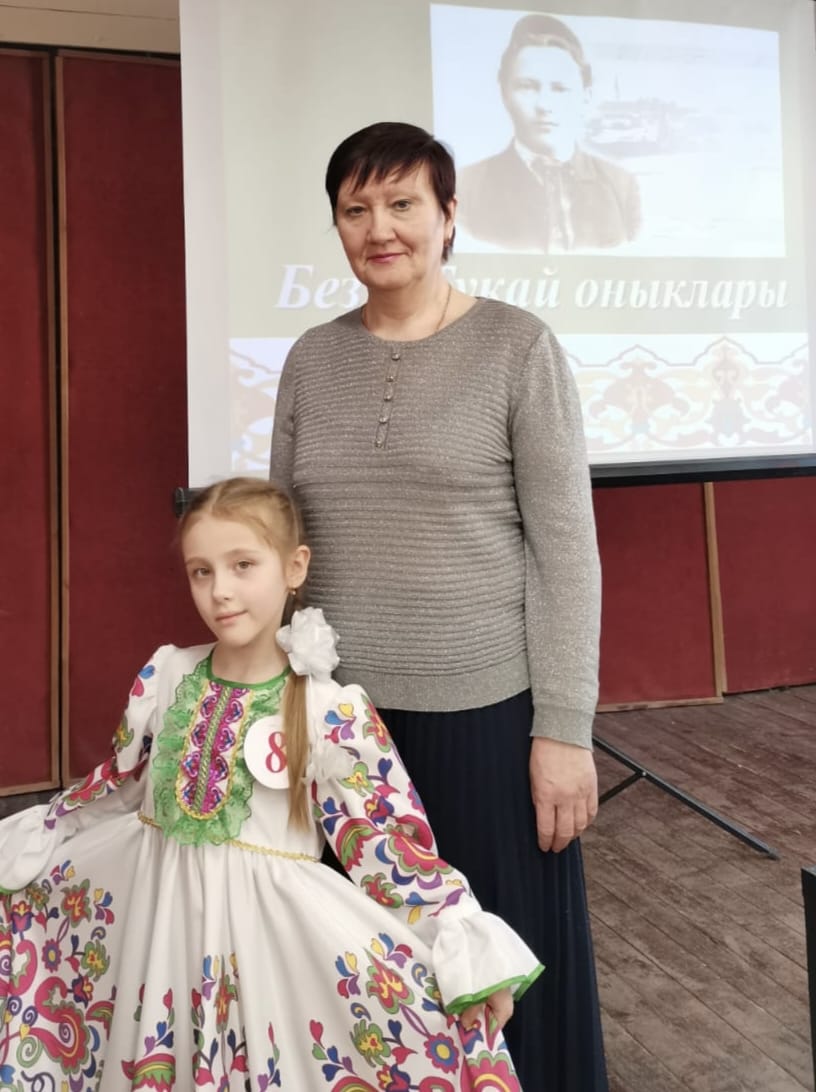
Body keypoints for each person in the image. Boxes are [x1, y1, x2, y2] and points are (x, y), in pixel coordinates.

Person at [0, 477, 543, 1090]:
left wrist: (464, 947)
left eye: (243, 565)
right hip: (155, 930)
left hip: (262, 953)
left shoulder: (328, 710)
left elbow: (388, 851)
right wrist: (39, 842)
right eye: (201, 571)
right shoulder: (166, 674)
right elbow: (121, 787)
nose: (220, 591)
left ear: (294, 567)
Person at [269, 122, 608, 1090]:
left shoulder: (518, 347)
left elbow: (566, 553)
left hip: (484, 720)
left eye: (403, 203)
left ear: (449, 215)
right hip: (342, 724)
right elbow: (284, 539)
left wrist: (565, 729)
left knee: (500, 975)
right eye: (356, 209)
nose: (380, 228)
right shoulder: (310, 357)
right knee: (359, 979)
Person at [456, 12, 641, 252]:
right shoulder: (465, 186)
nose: (544, 105)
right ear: (504, 93)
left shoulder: (621, 185)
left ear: (586, 96)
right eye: (527, 87)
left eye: (560, 88)